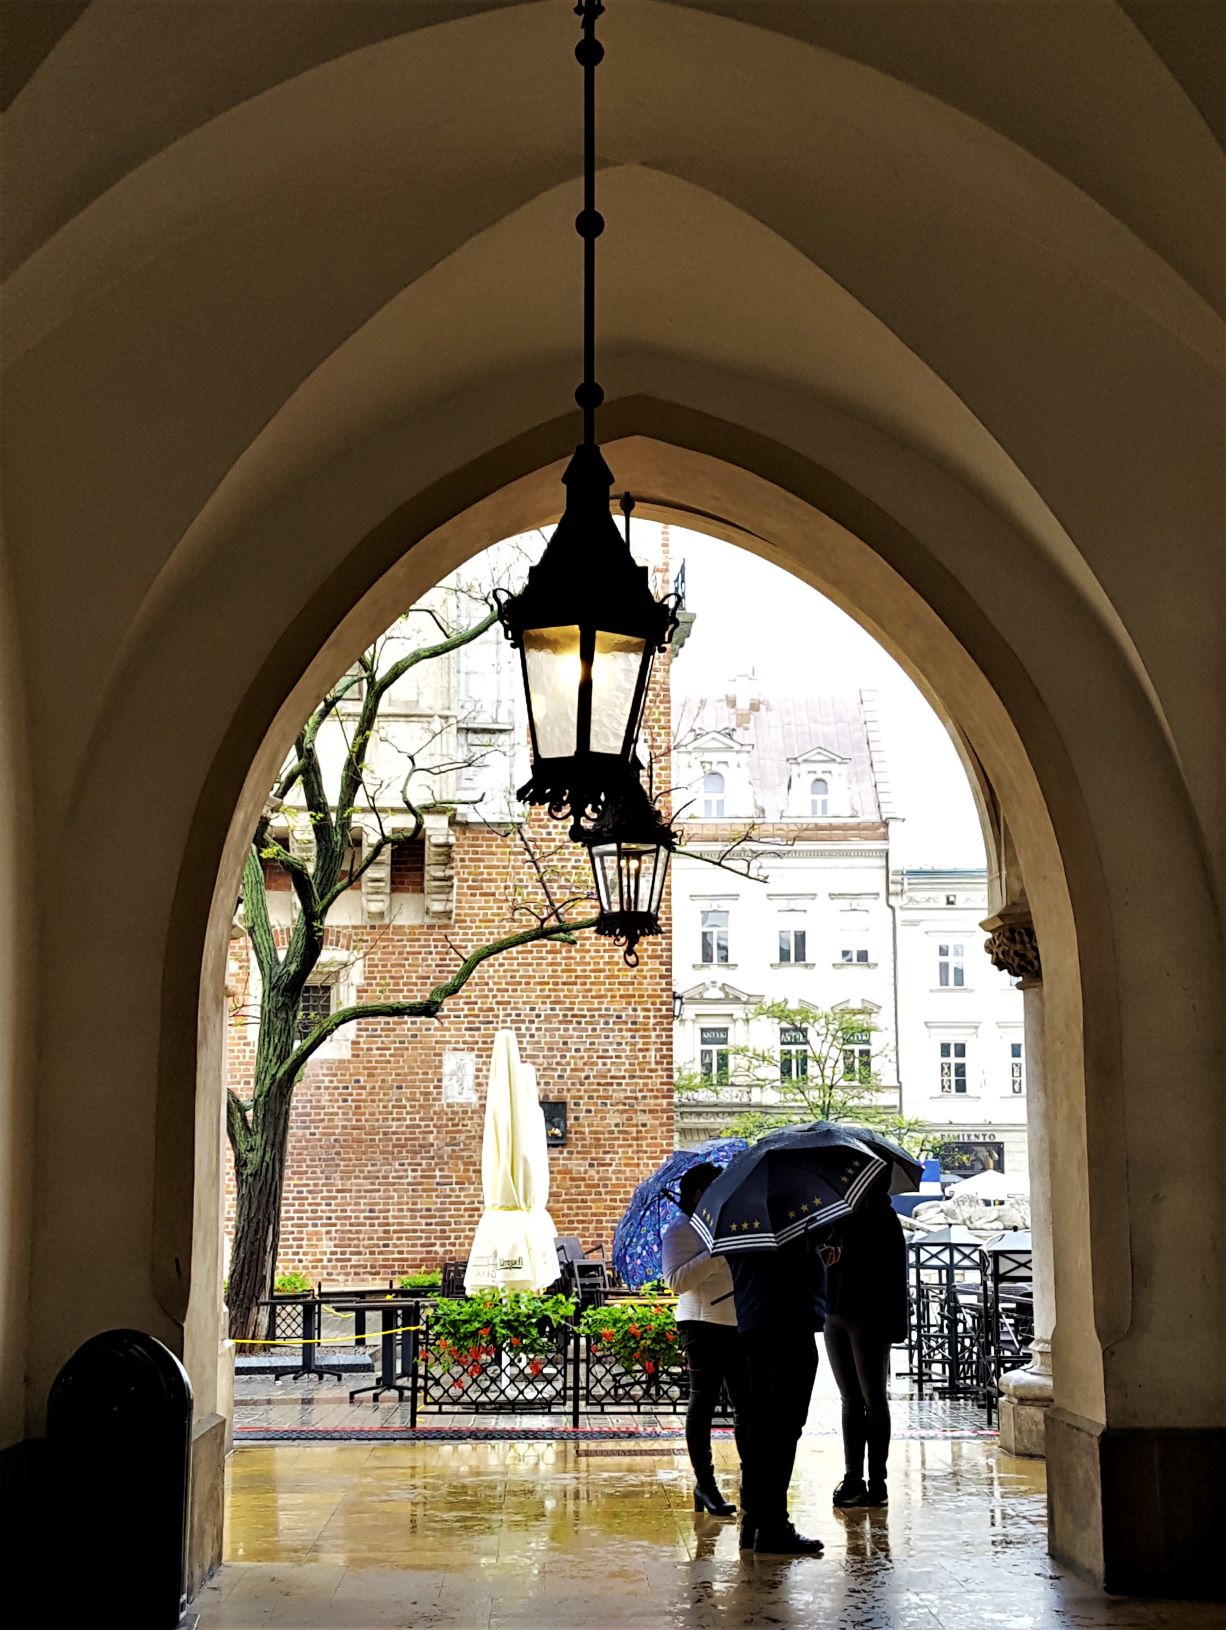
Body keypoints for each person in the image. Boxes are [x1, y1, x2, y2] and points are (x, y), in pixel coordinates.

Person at [728, 1229, 837, 1557]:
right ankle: (774, 1526)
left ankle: (754, 1520)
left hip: (751, 1321)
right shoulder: (788, 1217)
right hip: (788, 1323)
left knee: (759, 1425)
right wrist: (817, 1255)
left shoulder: (738, 1219)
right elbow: (795, 1268)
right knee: (784, 1428)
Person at [661, 1163, 750, 1517]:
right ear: (699, 1194)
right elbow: (676, 1281)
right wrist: (715, 1252)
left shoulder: (722, 1224)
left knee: (746, 1405)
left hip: (735, 1323)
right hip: (700, 1325)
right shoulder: (680, 1229)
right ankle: (705, 1483)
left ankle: (751, 1479)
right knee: (704, 1404)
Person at [822, 1167, 908, 1509]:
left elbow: (892, 1276)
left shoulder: (882, 1219)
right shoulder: (839, 1215)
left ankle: (875, 1481)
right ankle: (855, 1478)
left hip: (866, 1316)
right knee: (852, 1399)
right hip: (837, 1312)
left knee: (871, 1399)